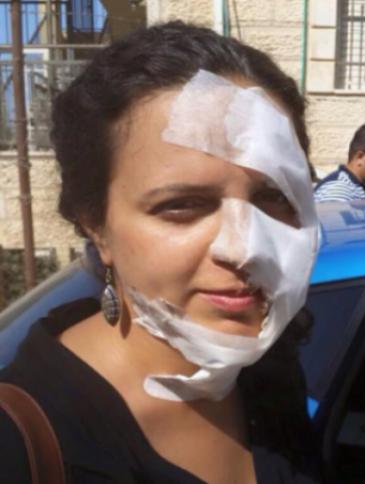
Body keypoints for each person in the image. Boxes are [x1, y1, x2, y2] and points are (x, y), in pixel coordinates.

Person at [0, 22, 322, 482]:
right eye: (182, 206)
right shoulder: (19, 446)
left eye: (275, 197)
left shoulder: (269, 370)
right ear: (97, 227)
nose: (246, 248)